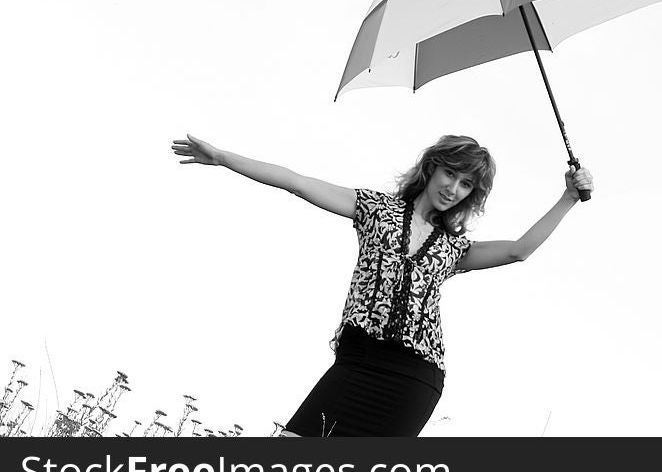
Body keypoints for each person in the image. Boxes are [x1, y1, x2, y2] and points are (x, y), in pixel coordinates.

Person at [171, 133, 593, 436]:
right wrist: (224, 157)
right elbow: (298, 182)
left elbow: (519, 250)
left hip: (414, 379)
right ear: (431, 168)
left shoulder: (454, 248)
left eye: (467, 185)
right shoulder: (375, 209)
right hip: (356, 361)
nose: (454, 189)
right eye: (450, 173)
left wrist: (568, 199)